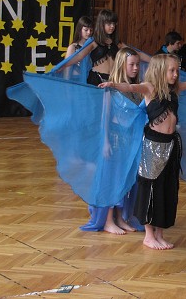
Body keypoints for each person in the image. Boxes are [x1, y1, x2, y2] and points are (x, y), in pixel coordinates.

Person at [99, 54, 186, 249]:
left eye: (177, 70)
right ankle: (149, 235)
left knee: (167, 189)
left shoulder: (175, 89)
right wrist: (113, 85)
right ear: (160, 70)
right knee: (151, 189)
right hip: (153, 145)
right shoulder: (149, 88)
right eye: (172, 70)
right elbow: (131, 87)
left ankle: (159, 233)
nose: (176, 74)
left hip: (171, 145)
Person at [81, 47, 143, 234]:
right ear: (121, 65)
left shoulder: (136, 89)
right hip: (115, 140)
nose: (135, 68)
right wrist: (106, 142)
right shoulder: (111, 87)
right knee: (111, 179)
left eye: (138, 65)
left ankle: (120, 217)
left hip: (129, 142)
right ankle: (107, 220)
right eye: (131, 64)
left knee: (125, 181)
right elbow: (105, 118)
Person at [59, 9, 151, 85]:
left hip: (113, 80)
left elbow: (137, 53)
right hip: (96, 80)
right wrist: (62, 66)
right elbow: (79, 56)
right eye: (109, 24)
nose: (112, 26)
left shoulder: (117, 43)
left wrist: (155, 60)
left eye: (114, 24)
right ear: (101, 24)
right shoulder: (94, 42)